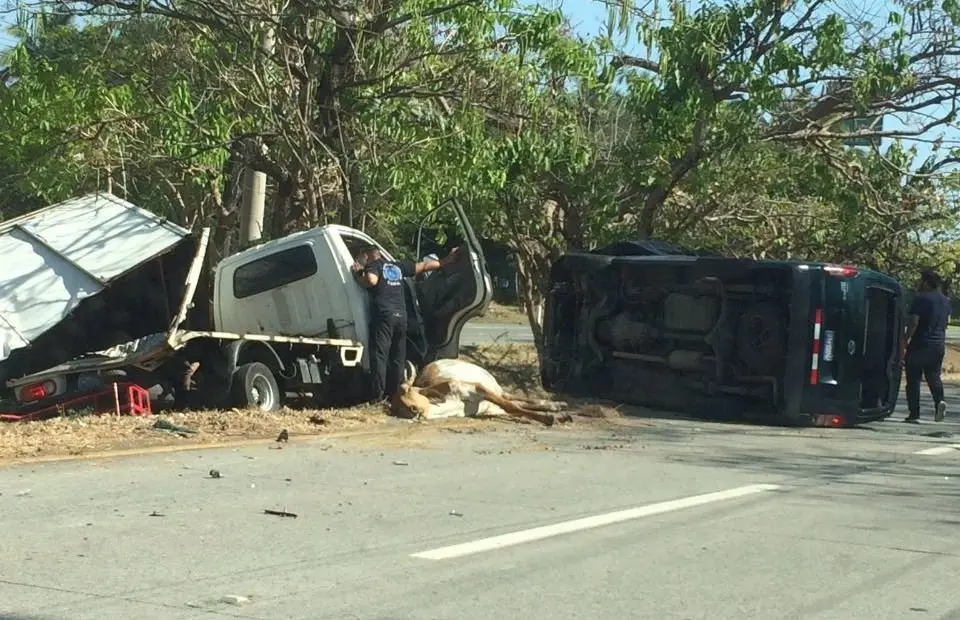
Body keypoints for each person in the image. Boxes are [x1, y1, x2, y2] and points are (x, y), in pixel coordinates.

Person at [350, 244, 462, 403]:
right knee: (397, 357)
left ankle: (377, 397)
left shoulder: (374, 265)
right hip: (401, 317)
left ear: (367, 255)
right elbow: (423, 266)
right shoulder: (397, 266)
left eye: (362, 257)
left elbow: (371, 280)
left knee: (380, 356)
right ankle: (397, 393)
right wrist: (447, 261)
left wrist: (357, 274)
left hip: (384, 315)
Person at [902, 268, 951, 423]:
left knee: (913, 379)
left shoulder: (920, 298)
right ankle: (939, 402)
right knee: (934, 376)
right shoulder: (945, 301)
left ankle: (914, 414)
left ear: (926, 282)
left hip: (920, 343)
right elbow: (946, 323)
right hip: (938, 345)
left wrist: (905, 339)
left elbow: (914, 322)